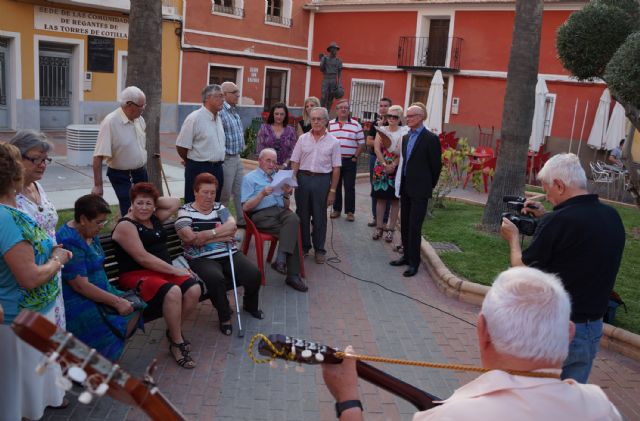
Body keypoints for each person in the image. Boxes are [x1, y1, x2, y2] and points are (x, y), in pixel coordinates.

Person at [322, 267, 623, 421]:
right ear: (569, 334)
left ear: (482, 331)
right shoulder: (599, 406)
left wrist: (348, 399)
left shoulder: (451, 417)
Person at [500, 153, 625, 383]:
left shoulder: (559, 222)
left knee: (538, 399)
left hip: (556, 330)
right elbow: (578, 241)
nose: (546, 196)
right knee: (569, 402)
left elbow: (521, 268)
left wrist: (513, 238)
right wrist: (546, 217)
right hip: (592, 328)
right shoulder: (612, 217)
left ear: (559, 185)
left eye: (547, 189)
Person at [0, 143, 72, 420]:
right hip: (18, 321)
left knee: (24, 397)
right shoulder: (7, 219)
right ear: (15, 173)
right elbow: (29, 277)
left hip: (32, 315)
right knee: (16, 399)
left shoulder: (12, 213)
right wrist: (57, 261)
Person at [112, 182, 201, 369]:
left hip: (161, 271)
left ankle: (173, 332)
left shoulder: (154, 217)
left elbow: (175, 202)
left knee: (194, 289)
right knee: (174, 292)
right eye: (139, 203)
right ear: (131, 204)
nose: (144, 208)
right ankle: (177, 344)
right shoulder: (126, 226)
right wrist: (177, 270)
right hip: (136, 275)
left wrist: (150, 199)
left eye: (148, 204)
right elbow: (144, 259)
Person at [56, 194, 143, 361]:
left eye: (104, 222)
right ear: (82, 219)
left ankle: (108, 358)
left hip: (101, 290)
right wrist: (117, 301)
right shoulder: (69, 240)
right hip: (79, 299)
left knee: (136, 306)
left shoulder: (88, 231)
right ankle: (102, 364)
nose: (102, 226)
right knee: (104, 328)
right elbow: (80, 286)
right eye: (99, 222)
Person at [175, 173, 263, 336]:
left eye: (213, 192)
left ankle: (250, 305)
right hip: (201, 258)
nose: (209, 196)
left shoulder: (219, 208)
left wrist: (207, 235)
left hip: (228, 252)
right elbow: (190, 238)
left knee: (254, 274)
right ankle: (224, 317)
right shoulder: (185, 211)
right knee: (216, 279)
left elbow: (232, 227)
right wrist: (221, 235)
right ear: (195, 192)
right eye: (205, 192)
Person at [10, 130, 66, 328]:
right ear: (16, 158)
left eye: (45, 159)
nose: (42, 165)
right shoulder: (9, 199)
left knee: (54, 342)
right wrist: (57, 258)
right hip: (29, 281)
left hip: (51, 274)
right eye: (36, 159)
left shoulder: (37, 186)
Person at [241, 148, 307, 292]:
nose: (271, 165)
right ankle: (292, 275)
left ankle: (281, 260)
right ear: (260, 161)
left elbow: (286, 206)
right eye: (268, 161)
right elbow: (245, 207)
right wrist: (261, 194)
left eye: (274, 162)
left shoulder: (278, 177)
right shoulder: (249, 178)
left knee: (294, 218)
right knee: (292, 230)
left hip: (280, 212)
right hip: (260, 215)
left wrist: (286, 193)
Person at [390, 105, 442, 277]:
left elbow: (436, 167)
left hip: (420, 189)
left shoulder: (430, 138)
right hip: (406, 186)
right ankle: (406, 255)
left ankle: (414, 262)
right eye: (407, 116)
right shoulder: (405, 138)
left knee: (414, 226)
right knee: (404, 223)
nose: (407, 118)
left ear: (420, 117)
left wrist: (428, 186)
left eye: (411, 116)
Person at [290, 107, 342, 264]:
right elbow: (295, 161)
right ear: (310, 120)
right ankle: (304, 247)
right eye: (313, 119)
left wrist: (332, 191)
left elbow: (336, 168)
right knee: (302, 214)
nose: (316, 122)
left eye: (320, 119)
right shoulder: (302, 139)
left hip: (322, 181)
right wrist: (292, 181)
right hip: (303, 179)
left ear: (326, 121)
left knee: (320, 216)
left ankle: (320, 249)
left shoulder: (334, 142)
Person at [92, 86, 148, 216]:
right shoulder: (110, 122)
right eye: (141, 106)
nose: (143, 109)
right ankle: (127, 232)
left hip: (140, 172)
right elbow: (98, 156)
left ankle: (142, 232)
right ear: (129, 105)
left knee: (144, 205)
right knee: (129, 207)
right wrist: (98, 185)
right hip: (120, 175)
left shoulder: (140, 120)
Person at [176, 84, 226, 204]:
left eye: (223, 96)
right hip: (199, 167)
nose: (223, 100)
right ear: (207, 98)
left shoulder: (218, 118)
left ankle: (210, 222)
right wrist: (189, 161)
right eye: (219, 96)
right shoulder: (194, 118)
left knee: (214, 202)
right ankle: (192, 223)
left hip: (218, 168)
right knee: (195, 202)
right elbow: (181, 145)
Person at [371, 105, 409, 243]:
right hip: (381, 167)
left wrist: (393, 165)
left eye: (395, 116)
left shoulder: (404, 132)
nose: (391, 119)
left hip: (397, 168)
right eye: (389, 116)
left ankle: (391, 230)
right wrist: (384, 165)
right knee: (380, 198)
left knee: (394, 200)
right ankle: (379, 227)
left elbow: (404, 151)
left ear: (400, 118)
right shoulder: (381, 130)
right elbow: (376, 149)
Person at [328, 99, 365, 222]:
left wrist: (355, 157)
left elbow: (361, 143)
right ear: (337, 110)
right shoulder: (330, 124)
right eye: (341, 107)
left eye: (346, 108)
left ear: (349, 111)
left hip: (350, 161)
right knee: (336, 186)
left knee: (349, 187)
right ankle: (337, 209)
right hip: (334, 162)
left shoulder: (356, 125)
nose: (343, 109)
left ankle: (350, 212)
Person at [219, 81, 247, 227]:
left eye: (238, 91)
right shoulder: (220, 112)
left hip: (237, 158)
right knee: (225, 195)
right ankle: (223, 224)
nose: (238, 94)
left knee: (240, 192)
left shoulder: (233, 110)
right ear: (224, 94)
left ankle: (242, 221)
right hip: (227, 159)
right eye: (234, 92)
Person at [366, 97, 393, 227]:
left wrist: (380, 140)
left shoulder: (395, 123)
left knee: (388, 187)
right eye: (381, 105)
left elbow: (396, 142)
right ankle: (376, 218)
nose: (383, 108)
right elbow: (368, 141)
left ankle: (385, 219)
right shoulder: (375, 123)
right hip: (375, 158)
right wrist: (382, 139)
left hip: (390, 160)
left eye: (385, 106)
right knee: (375, 187)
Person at [256, 102, 297, 169]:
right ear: (272, 114)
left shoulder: (291, 131)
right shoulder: (264, 129)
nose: (279, 116)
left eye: (282, 114)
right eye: (276, 114)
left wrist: (284, 165)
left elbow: (292, 151)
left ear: (285, 115)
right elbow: (260, 150)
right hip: (266, 168)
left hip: (284, 169)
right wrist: (270, 165)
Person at [319, 42, 344, 110]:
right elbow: (321, 69)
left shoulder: (339, 61)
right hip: (326, 78)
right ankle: (321, 111)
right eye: (334, 49)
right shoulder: (325, 59)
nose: (335, 51)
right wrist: (322, 60)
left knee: (330, 98)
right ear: (330, 50)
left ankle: (327, 112)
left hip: (333, 80)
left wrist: (340, 84)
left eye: (336, 49)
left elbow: (340, 73)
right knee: (323, 96)